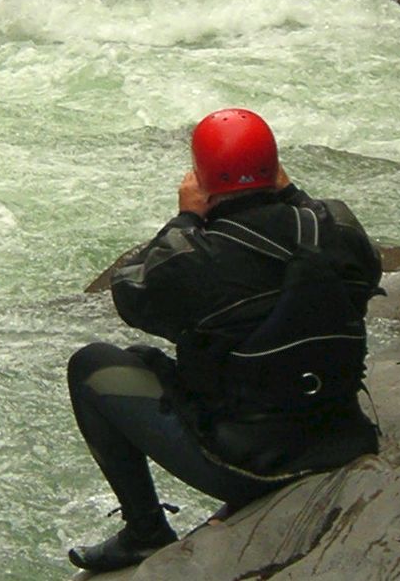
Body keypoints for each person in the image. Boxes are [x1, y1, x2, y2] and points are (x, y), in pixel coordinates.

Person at [64, 108, 382, 573]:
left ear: (201, 181)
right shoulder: (336, 228)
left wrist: (187, 220)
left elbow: (131, 293)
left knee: (94, 365)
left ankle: (144, 532)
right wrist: (289, 191)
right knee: (143, 359)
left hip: (250, 463)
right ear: (277, 171)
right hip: (344, 438)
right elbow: (362, 259)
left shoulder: (196, 261)